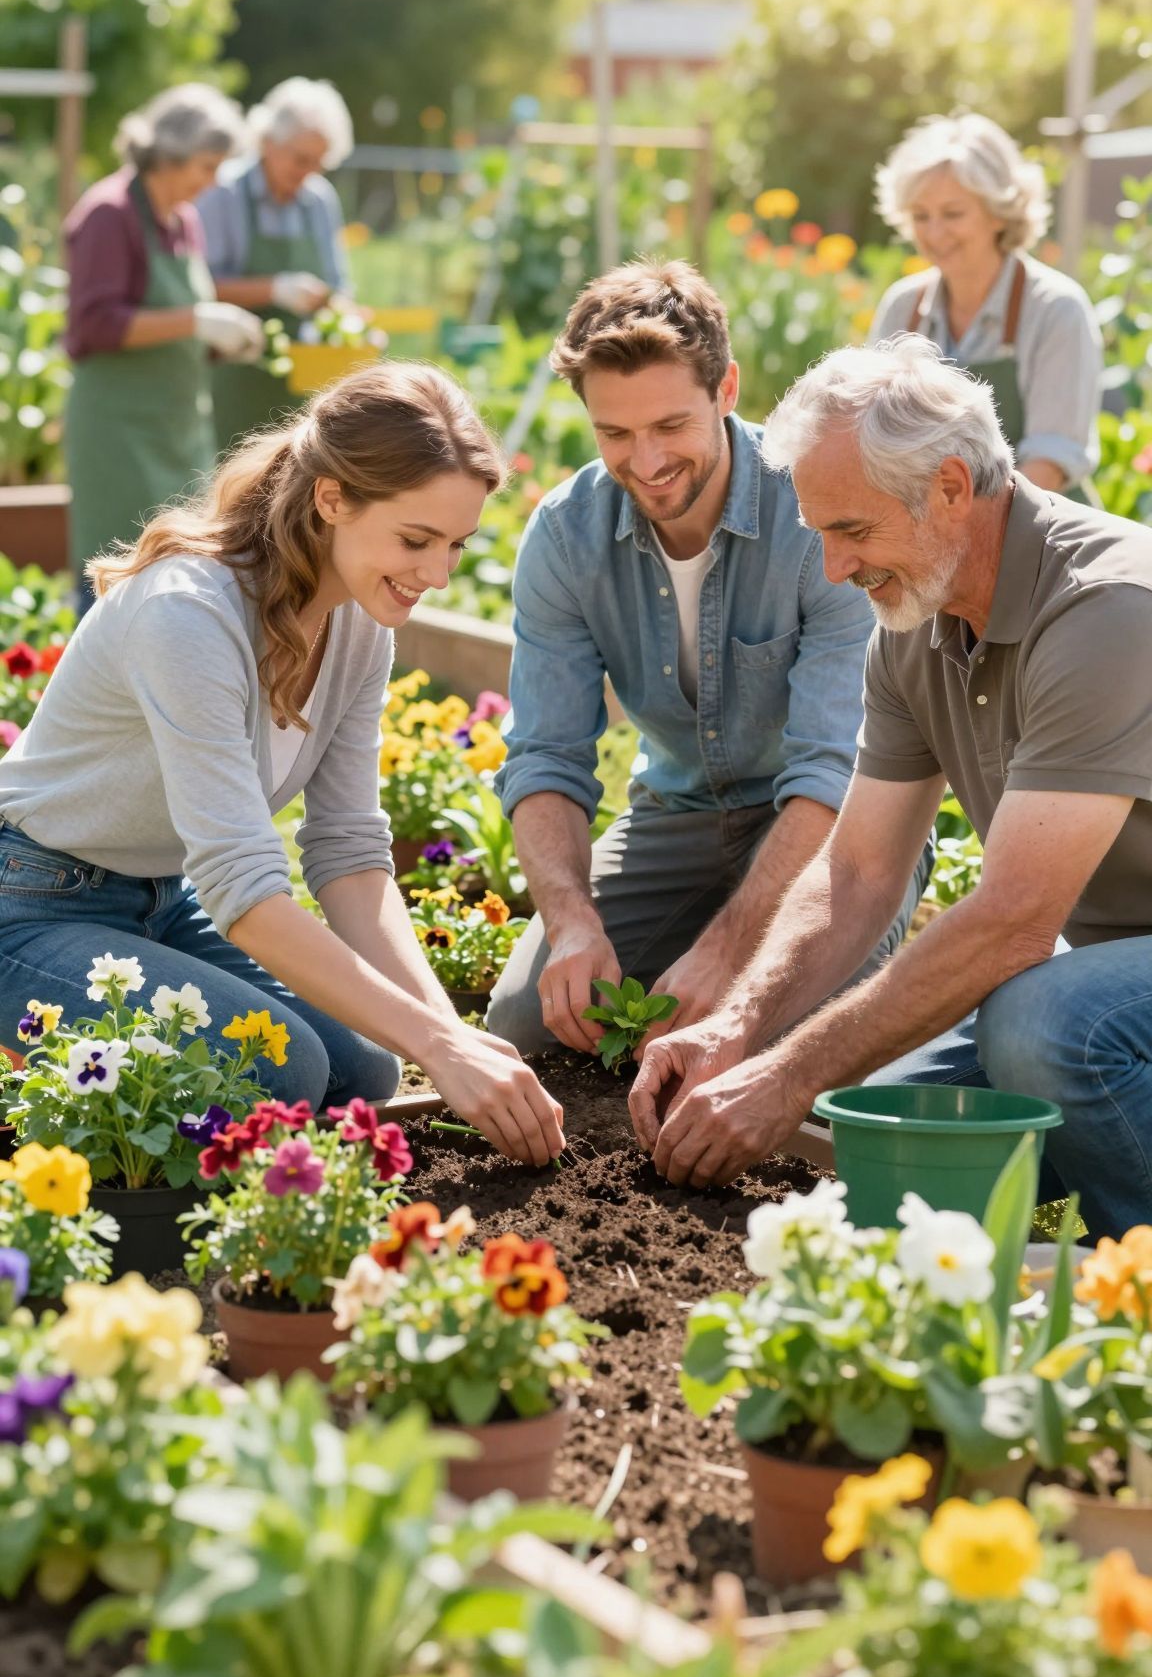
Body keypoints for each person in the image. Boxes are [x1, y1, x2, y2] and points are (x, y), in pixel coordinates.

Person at [629, 335, 1152, 1241]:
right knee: (884, 1121)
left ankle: (1131, 1289)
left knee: (1044, 1020)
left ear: (952, 486)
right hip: (1125, 978)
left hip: (1101, 993)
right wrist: (740, 1032)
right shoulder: (916, 623)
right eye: (820, 533)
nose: (834, 569)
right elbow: (859, 873)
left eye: (853, 531)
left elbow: (1015, 923)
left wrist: (787, 1076)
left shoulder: (1109, 610)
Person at [0, 363, 564, 1167]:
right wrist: (440, 1046)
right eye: (416, 539)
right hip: (30, 905)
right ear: (332, 499)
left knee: (365, 1066)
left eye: (455, 544)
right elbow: (246, 891)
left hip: (158, 902)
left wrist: (452, 1039)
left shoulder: (362, 628)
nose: (438, 574)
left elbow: (350, 856)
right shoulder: (187, 617)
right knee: (285, 1066)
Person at [485, 260, 930, 1059]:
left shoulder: (819, 516)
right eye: (614, 433)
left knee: (777, 1040)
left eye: (668, 426)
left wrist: (727, 956)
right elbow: (546, 755)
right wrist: (571, 922)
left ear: (726, 390)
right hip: (680, 815)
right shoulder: (565, 536)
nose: (645, 462)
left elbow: (833, 770)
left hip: (835, 835)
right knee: (532, 1027)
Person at [63, 84, 265, 604]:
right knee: (115, 582)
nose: (214, 180)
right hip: (118, 435)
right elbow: (94, 324)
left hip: (177, 432)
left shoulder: (183, 218)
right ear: (169, 154)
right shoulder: (109, 213)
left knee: (175, 581)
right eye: (206, 165)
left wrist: (223, 341)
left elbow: (173, 320)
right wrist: (196, 321)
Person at [870, 113, 1102, 496]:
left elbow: (1050, 463)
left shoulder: (1056, 310)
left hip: (1040, 533)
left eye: (953, 213)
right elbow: (874, 437)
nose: (934, 232)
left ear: (999, 212)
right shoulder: (902, 307)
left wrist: (966, 534)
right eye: (920, 216)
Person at [196, 77, 356, 455]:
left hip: (304, 384)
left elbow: (338, 285)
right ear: (267, 142)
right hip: (232, 377)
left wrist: (351, 323)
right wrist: (274, 289)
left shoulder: (318, 201)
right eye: (301, 159)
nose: (309, 172)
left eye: (320, 162)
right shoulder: (224, 193)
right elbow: (198, 285)